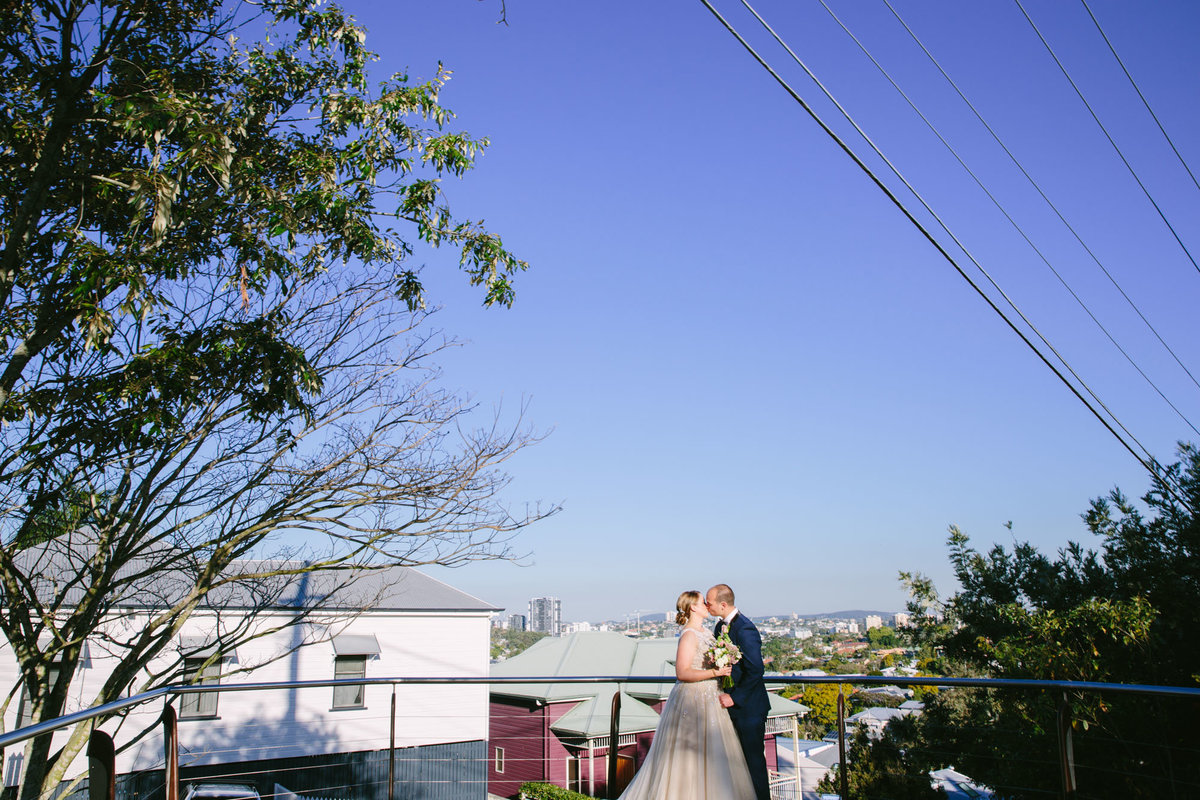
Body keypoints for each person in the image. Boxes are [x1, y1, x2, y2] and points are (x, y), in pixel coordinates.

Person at [617, 590, 757, 799]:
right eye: (704, 603)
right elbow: (682, 672)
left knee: (714, 755)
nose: (708, 606)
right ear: (693, 607)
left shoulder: (708, 632)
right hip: (694, 698)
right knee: (689, 758)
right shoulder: (689, 634)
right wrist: (715, 672)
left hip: (712, 697)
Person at [707, 583, 772, 800]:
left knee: (753, 765)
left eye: (710, 603)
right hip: (728, 706)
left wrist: (735, 698)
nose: (707, 606)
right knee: (733, 764)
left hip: (749, 708)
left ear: (723, 604)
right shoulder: (719, 628)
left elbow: (756, 669)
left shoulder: (745, 628)